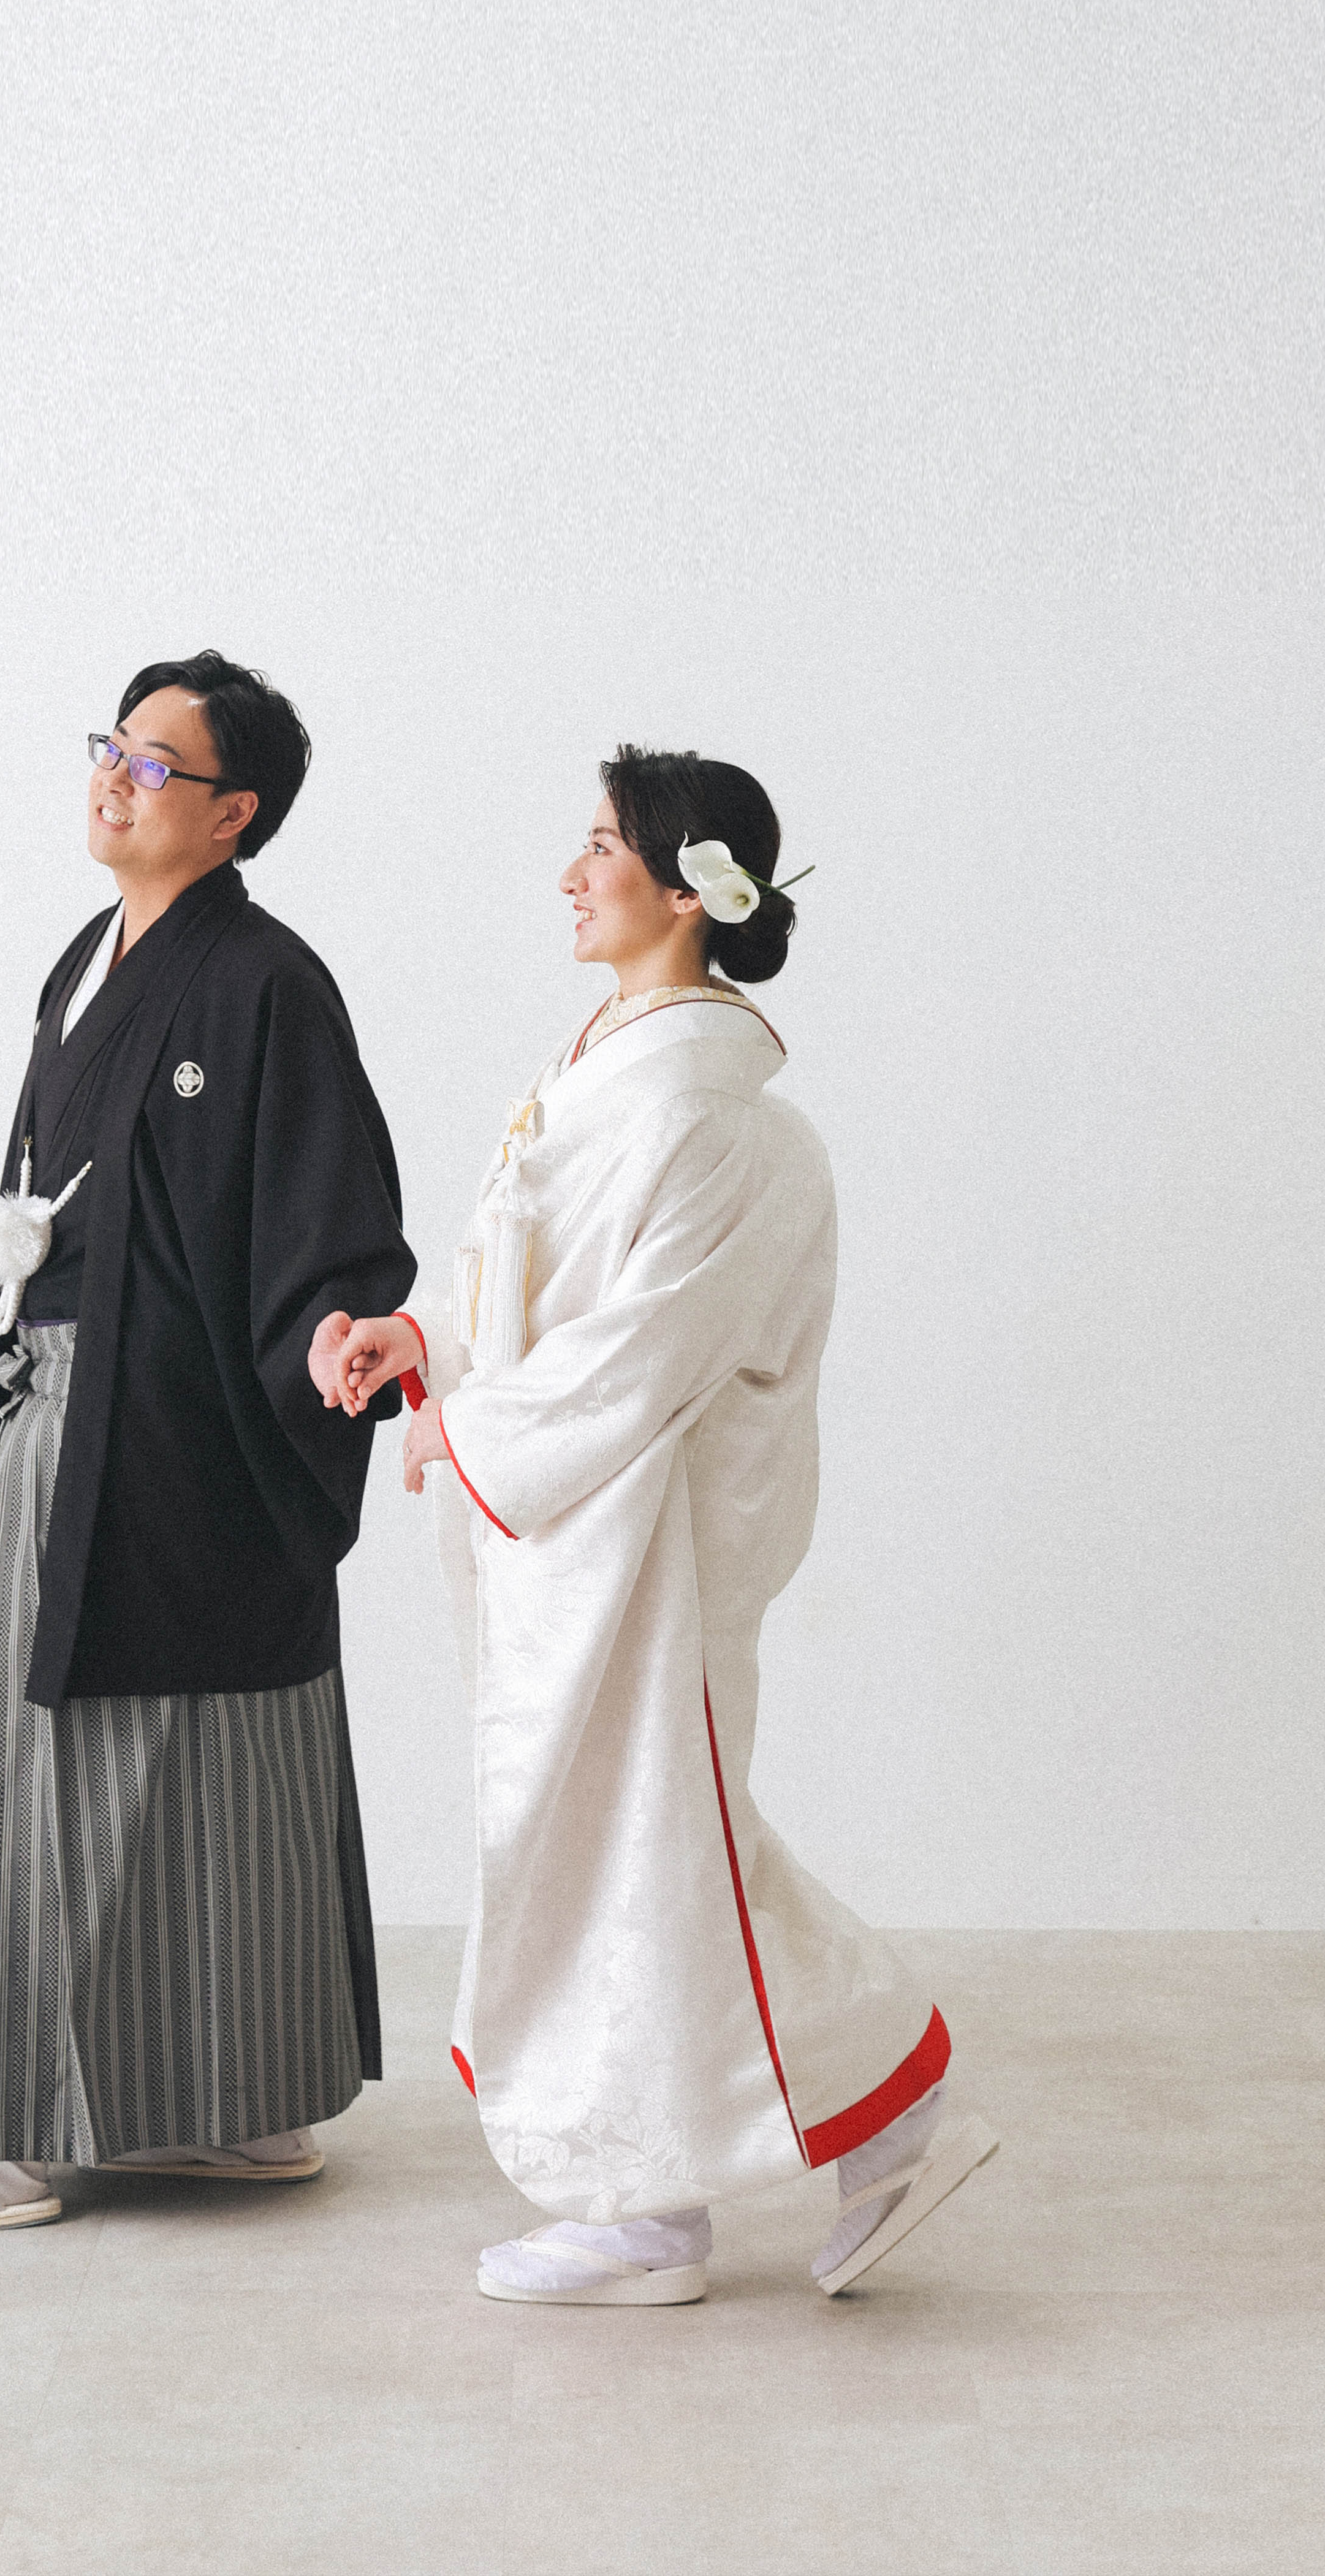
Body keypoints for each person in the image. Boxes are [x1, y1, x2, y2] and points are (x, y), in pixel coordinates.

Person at [314, 747, 997, 2305]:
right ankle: (821, 2138)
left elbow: (647, 1347)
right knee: (635, 1850)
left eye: (603, 848)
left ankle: (670, 2196)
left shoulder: (712, 1116)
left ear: (690, 891)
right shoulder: (610, 1073)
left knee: (646, 1851)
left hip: (650, 1541)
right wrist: (429, 1346)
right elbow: (541, 1295)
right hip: (577, 1531)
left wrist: (477, 1428)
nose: (570, 875)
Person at [0, 651, 418, 2236]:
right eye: (111, 747)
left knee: (147, 1756)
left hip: (181, 1419)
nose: (114, 777)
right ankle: (225, 2111)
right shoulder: (89, 959)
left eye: (154, 763)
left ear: (233, 814)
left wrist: (334, 1334)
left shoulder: (268, 982)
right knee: (55, 1743)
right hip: (69, 1394)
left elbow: (326, 1211)